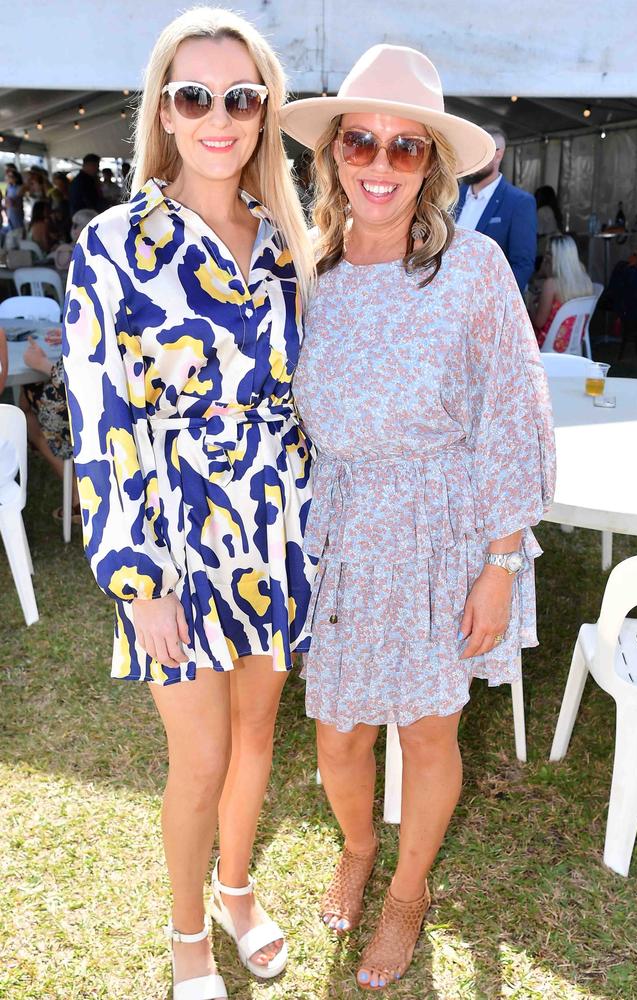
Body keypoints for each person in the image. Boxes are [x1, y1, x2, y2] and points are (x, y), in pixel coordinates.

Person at [281, 44, 556, 991]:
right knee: (338, 735)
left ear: (432, 167)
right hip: (342, 532)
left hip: (442, 530)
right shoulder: (301, 273)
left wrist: (500, 561)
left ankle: (406, 892)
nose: (381, 164)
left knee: (428, 734)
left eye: (406, 149)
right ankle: (356, 848)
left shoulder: (474, 270)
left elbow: (514, 417)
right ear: (332, 157)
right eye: (362, 142)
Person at [62, 8, 316, 999]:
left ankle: (239, 888)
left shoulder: (291, 241)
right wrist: (137, 580)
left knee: (257, 736)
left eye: (240, 97)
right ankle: (186, 937)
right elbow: (99, 415)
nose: (218, 115)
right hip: (171, 527)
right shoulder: (114, 245)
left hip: (274, 518)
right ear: (163, 111)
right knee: (200, 756)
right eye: (194, 95)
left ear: (263, 113)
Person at [456, 126, 537, 292]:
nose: (471, 160)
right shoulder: (454, 196)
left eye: (479, 153)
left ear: (498, 155)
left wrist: (491, 304)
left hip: (486, 305)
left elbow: (522, 265)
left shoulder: (519, 202)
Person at [20, 332, 81, 521]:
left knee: (27, 415)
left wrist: (41, 363)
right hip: (109, 403)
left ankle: (77, 497)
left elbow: (72, 384)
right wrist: (74, 334)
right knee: (29, 395)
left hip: (81, 406)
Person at [530, 234, 593, 351]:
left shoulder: (551, 285)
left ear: (554, 259)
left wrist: (529, 305)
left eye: (548, 255)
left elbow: (539, 322)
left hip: (548, 345)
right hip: (573, 343)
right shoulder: (585, 281)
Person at [534, 184, 562, 259]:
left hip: (545, 245)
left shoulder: (542, 211)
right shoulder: (553, 210)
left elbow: (537, 233)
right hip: (556, 244)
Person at [4, 166, 25, 234]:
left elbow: (12, 201)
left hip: (17, 211)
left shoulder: (20, 187)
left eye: (10, 176)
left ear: (16, 178)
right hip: (10, 212)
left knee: (18, 230)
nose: (8, 178)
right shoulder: (9, 188)